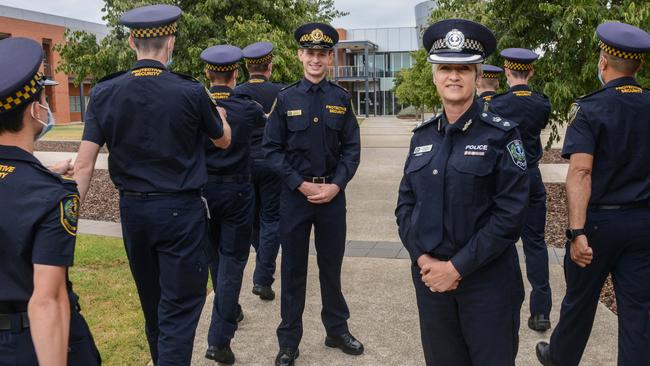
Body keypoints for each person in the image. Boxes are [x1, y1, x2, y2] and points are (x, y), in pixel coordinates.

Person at [72, 5, 231, 365]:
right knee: (178, 313)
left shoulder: (104, 92)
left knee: (154, 308)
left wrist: (65, 224)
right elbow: (223, 140)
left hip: (134, 213)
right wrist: (219, 116)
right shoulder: (191, 91)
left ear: (132, 42)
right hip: (180, 212)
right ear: (170, 43)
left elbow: (84, 163)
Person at [395, 19, 528, 366]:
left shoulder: (502, 135)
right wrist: (423, 260)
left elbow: (510, 215)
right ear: (435, 75)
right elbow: (405, 206)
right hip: (431, 286)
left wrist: (456, 268)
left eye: (463, 69)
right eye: (446, 68)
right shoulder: (422, 137)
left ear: (477, 74)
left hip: (487, 285)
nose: (454, 76)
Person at [536, 22, 650, 366]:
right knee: (639, 310)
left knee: (580, 300)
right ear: (639, 67)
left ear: (603, 62)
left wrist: (576, 231)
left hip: (599, 224)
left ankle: (560, 357)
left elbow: (581, 172)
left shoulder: (590, 108)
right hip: (643, 222)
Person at [263, 22, 362, 366]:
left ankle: (336, 330)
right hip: (296, 196)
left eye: (322, 54)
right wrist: (300, 184)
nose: (316, 60)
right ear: (300, 55)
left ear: (330, 58)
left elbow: (352, 149)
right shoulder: (285, 98)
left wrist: (336, 184)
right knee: (293, 270)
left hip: (333, 197)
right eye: (311, 53)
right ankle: (289, 341)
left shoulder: (341, 99)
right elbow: (271, 150)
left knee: (331, 267)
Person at [0, 37, 100, 366]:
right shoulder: (51, 196)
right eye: (44, 97)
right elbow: (48, 301)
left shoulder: (40, 185)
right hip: (30, 344)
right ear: (34, 109)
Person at [200, 44, 266, 365]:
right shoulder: (249, 108)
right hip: (238, 193)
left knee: (216, 258)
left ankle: (229, 309)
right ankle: (219, 339)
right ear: (235, 74)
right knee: (233, 263)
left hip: (204, 193)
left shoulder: (196, 106)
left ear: (207, 74)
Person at [489, 48, 553, 332]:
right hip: (532, 177)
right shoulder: (542, 104)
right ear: (532, 72)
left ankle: (499, 306)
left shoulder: (498, 104)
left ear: (506, 72)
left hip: (506, 181)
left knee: (498, 242)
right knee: (535, 244)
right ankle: (541, 312)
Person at [235, 41, 285, 301]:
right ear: (270, 66)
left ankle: (263, 260)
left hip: (244, 164)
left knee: (254, 220)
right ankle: (263, 277)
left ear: (246, 66)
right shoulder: (281, 92)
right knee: (271, 220)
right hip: (272, 163)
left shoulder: (237, 92)